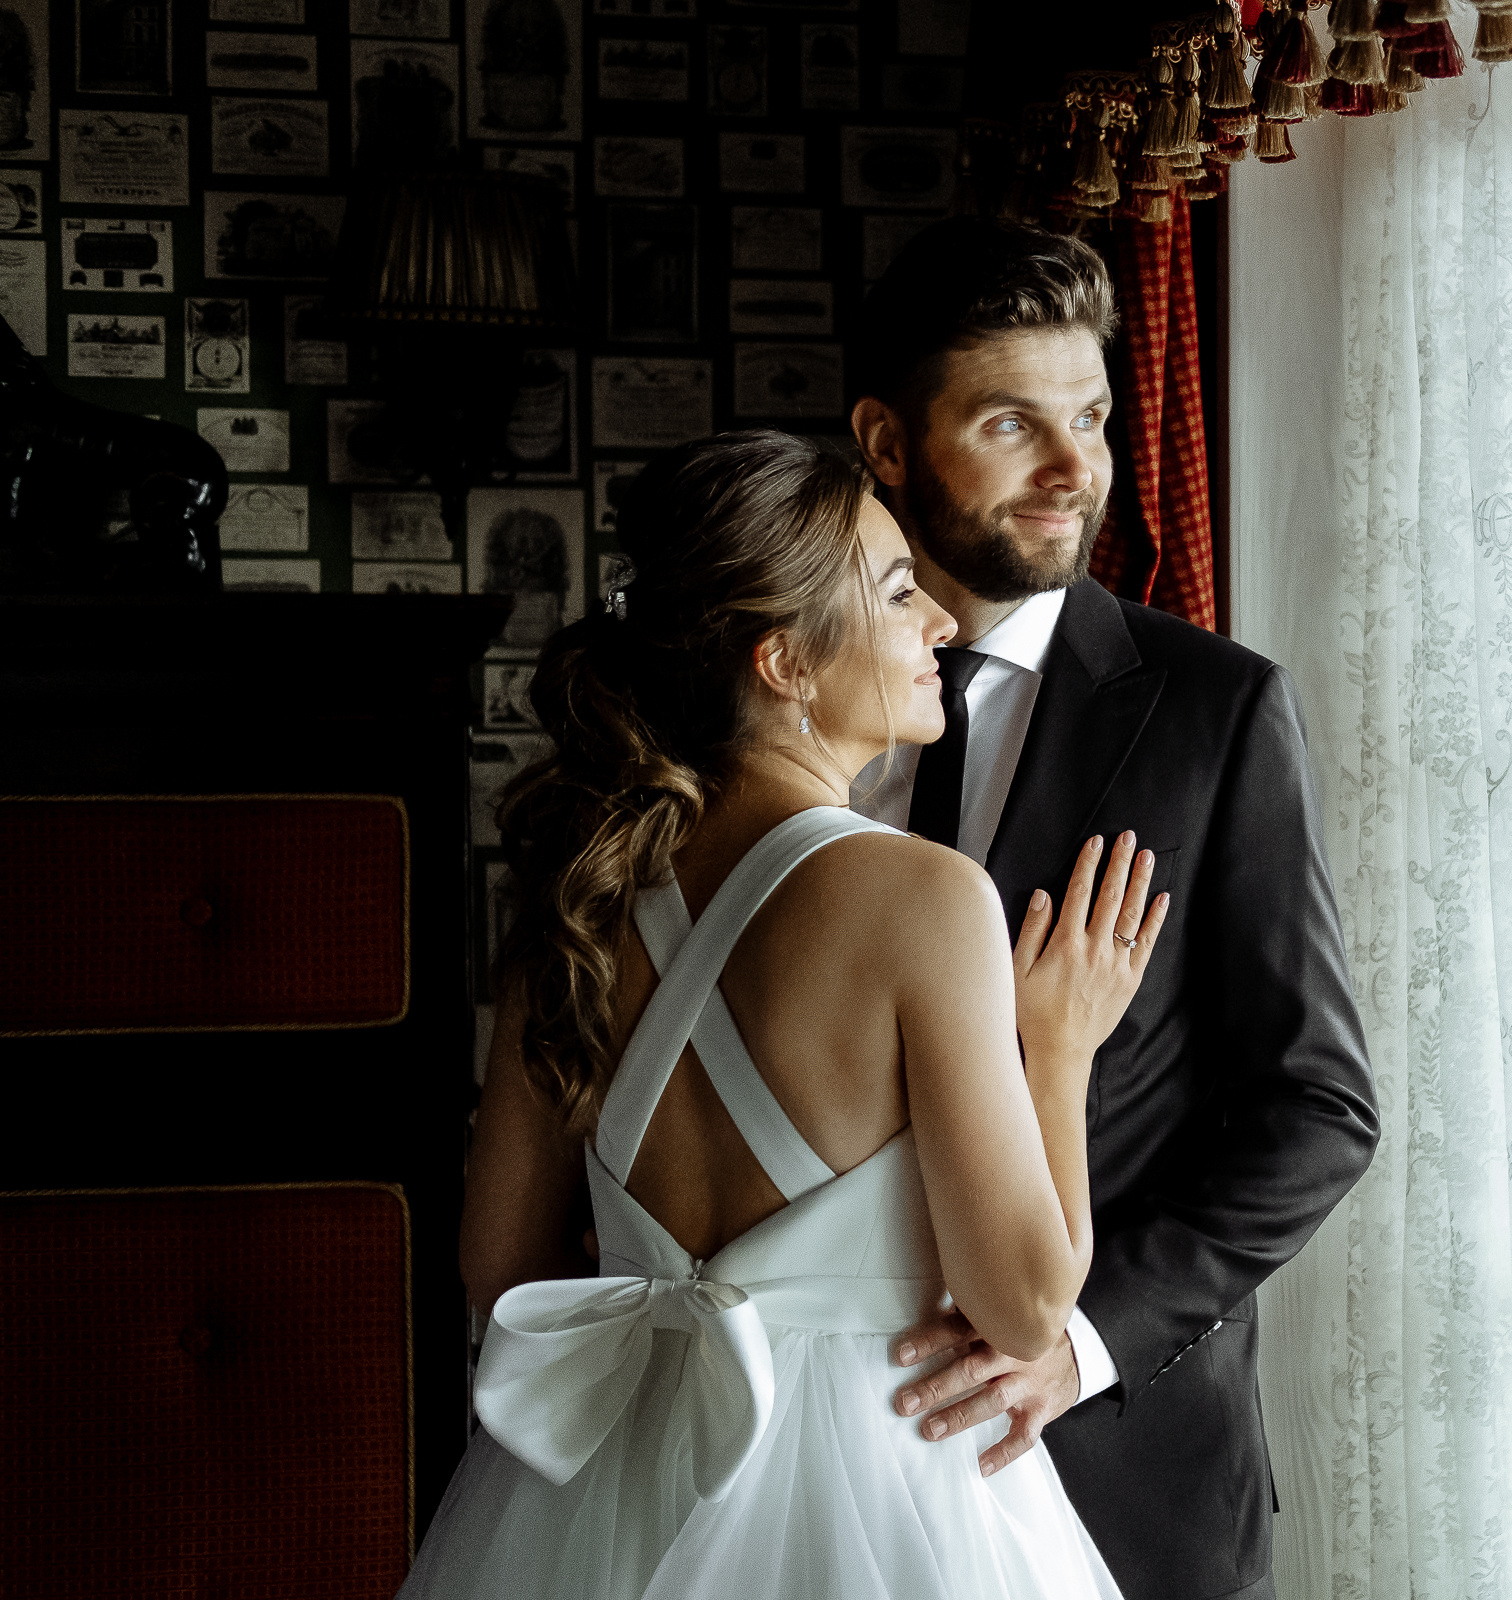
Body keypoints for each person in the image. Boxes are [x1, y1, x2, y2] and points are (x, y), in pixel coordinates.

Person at [399, 430, 1164, 1598]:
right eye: (901, 591)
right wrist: (1055, 1049)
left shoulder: (579, 892)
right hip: (888, 1472)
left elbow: (501, 1266)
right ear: (785, 662)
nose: (943, 626)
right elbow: (1025, 1304)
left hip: (614, 1479)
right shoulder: (927, 898)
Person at [848, 216, 1379, 1600]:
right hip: (823, 1446)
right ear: (889, 444)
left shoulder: (1218, 714)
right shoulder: (789, 713)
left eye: (1089, 414)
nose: (1076, 467)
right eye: (1013, 422)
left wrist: (1074, 1344)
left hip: (1124, 1480)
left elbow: (1319, 1109)